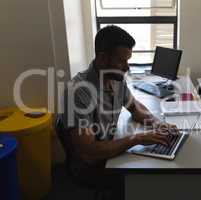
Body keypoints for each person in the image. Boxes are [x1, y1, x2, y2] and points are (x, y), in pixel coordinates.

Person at [55, 25, 177, 199]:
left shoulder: (116, 78)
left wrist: (158, 123)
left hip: (111, 146)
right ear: (103, 58)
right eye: (122, 61)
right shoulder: (78, 92)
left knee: (159, 162)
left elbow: (135, 108)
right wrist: (138, 138)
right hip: (92, 166)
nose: (126, 67)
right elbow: (89, 152)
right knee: (150, 173)